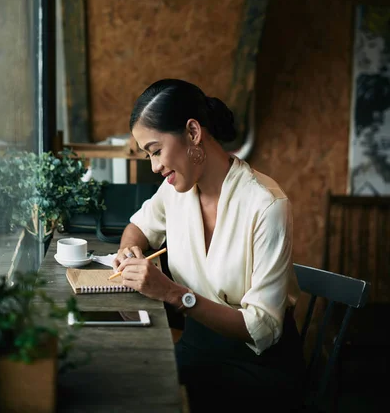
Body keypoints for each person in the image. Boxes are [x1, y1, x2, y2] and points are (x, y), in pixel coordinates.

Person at [113, 78, 305, 411]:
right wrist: (128, 250)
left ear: (192, 132)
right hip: (197, 347)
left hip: (258, 367)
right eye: (149, 155)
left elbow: (262, 329)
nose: (155, 166)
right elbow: (138, 226)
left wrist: (173, 293)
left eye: (156, 151)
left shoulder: (266, 205)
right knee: (129, 385)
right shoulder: (176, 190)